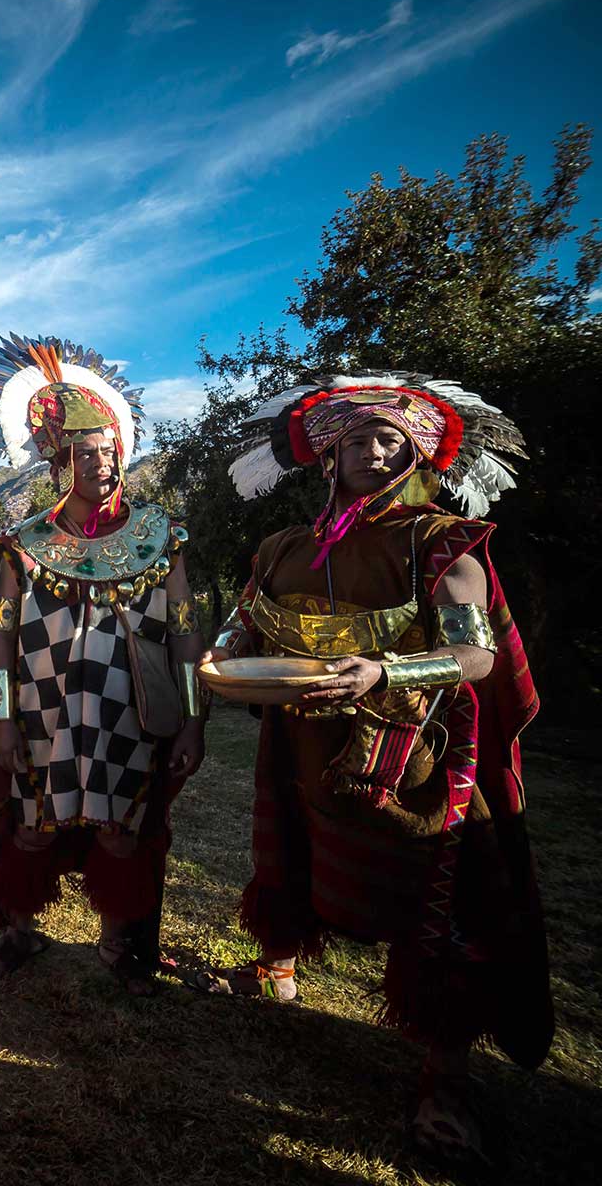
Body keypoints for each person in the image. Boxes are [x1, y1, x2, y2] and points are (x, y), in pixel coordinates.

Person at [200, 372, 545, 1165]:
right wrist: (221, 660)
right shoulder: (281, 548)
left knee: (442, 903)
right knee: (289, 855)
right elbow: (240, 625)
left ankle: (446, 1076)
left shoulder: (440, 541)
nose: (373, 449)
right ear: (330, 454)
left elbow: (474, 654)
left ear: (418, 452)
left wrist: (384, 674)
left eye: (390, 438)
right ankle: (278, 971)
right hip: (299, 743)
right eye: (357, 437)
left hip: (410, 751)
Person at [0, 335, 207, 994]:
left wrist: (192, 720)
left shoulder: (162, 538)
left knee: (122, 836)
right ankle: (20, 930)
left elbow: (185, 633)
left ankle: (120, 940)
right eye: (83, 455)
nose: (99, 464)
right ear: (58, 466)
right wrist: (3, 721)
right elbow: (0, 640)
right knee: (34, 832)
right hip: (42, 720)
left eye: (108, 452)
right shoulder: (24, 545)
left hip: (129, 720)